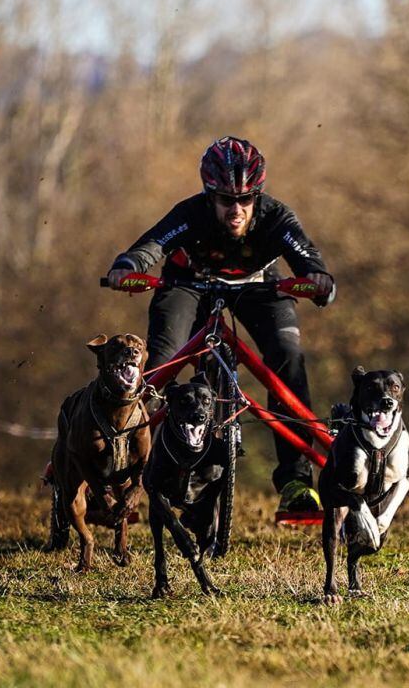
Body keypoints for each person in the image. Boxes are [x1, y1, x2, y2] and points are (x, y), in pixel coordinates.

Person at [106, 136, 334, 512]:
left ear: (257, 196)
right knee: (162, 362)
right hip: (187, 285)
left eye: (246, 200)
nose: (237, 210)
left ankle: (295, 481)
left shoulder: (276, 217)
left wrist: (319, 279)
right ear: (209, 196)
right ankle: (124, 471)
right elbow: (150, 246)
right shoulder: (189, 213)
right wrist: (127, 267)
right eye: (226, 200)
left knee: (287, 356)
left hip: (259, 287)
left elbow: (305, 255)